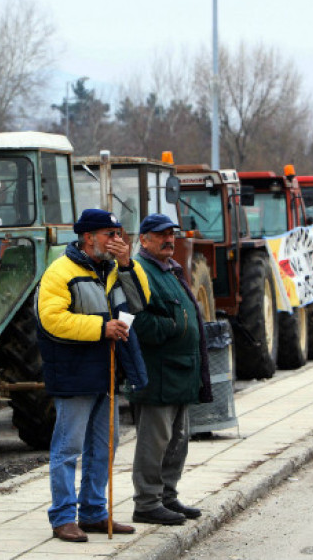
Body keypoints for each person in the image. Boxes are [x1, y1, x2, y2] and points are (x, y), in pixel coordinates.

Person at [36, 208, 150, 543]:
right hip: (73, 374)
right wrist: (102, 328)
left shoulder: (115, 268)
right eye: (109, 235)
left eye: (119, 235)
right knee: (68, 449)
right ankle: (62, 517)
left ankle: (94, 512)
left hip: (106, 373)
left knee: (105, 447)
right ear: (88, 238)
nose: (117, 241)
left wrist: (129, 264)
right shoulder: (60, 272)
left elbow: (141, 301)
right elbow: (51, 320)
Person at [128, 213, 212, 526]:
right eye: (161, 235)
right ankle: (147, 502)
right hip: (158, 372)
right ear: (144, 239)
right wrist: (174, 326)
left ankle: (167, 495)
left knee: (178, 439)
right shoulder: (140, 270)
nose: (169, 240)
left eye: (171, 234)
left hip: (180, 371)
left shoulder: (169, 270)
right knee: (155, 440)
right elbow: (136, 319)